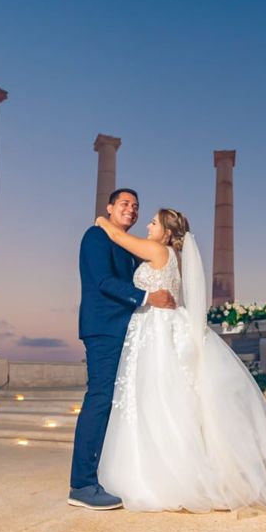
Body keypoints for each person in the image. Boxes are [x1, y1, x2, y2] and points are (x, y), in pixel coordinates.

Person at [95, 207, 266, 512]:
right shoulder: (171, 257)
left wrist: (102, 219)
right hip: (159, 326)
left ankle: (159, 475)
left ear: (167, 232)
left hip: (157, 329)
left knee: (155, 397)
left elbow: (115, 234)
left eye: (153, 222)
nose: (147, 225)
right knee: (165, 398)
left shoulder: (156, 250)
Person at [68, 189, 176, 510]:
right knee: (99, 399)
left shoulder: (127, 247)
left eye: (136, 206)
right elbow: (102, 281)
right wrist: (147, 298)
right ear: (110, 207)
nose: (131, 209)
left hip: (128, 332)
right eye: (125, 204)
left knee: (120, 403)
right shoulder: (96, 236)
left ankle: (108, 473)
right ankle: (82, 485)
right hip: (103, 330)